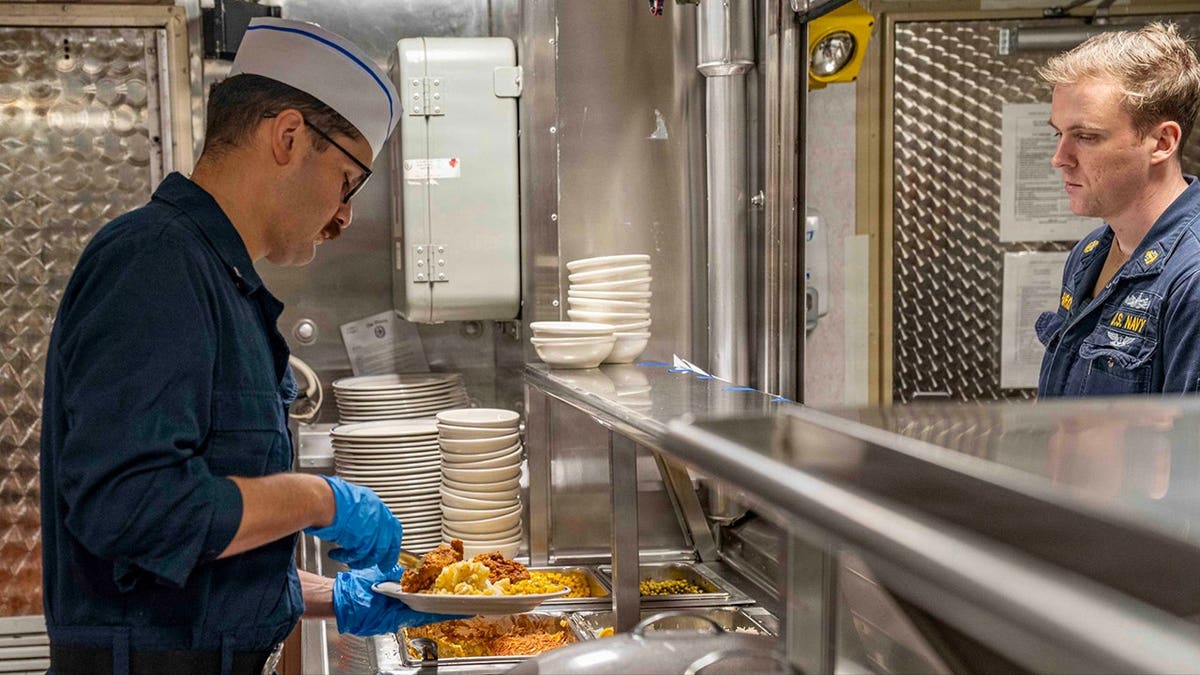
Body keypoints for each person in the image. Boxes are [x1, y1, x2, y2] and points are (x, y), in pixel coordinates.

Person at [40, 18, 451, 675]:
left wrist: (332, 597)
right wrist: (322, 499)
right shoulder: (155, 262)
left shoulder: (219, 280)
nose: (345, 216)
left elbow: (192, 548)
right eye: (348, 181)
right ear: (288, 136)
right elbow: (129, 507)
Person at [1035, 22, 1200, 397]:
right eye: (1058, 134)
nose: (1059, 158)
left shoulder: (1192, 279)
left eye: (1086, 137)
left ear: (1162, 141)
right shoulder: (1088, 253)